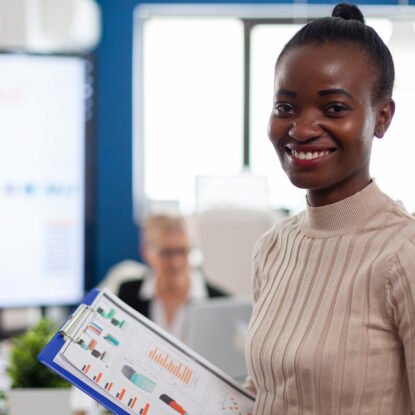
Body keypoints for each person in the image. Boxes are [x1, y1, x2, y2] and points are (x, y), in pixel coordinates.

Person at [245, 3, 415, 414]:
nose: (301, 129)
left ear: (383, 117)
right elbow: (265, 394)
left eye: (334, 108)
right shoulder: (273, 248)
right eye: (285, 107)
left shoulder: (403, 254)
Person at [117, 213, 226, 341]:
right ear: (145, 251)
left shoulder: (219, 302)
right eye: (166, 253)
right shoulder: (128, 295)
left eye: (182, 251)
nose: (175, 262)